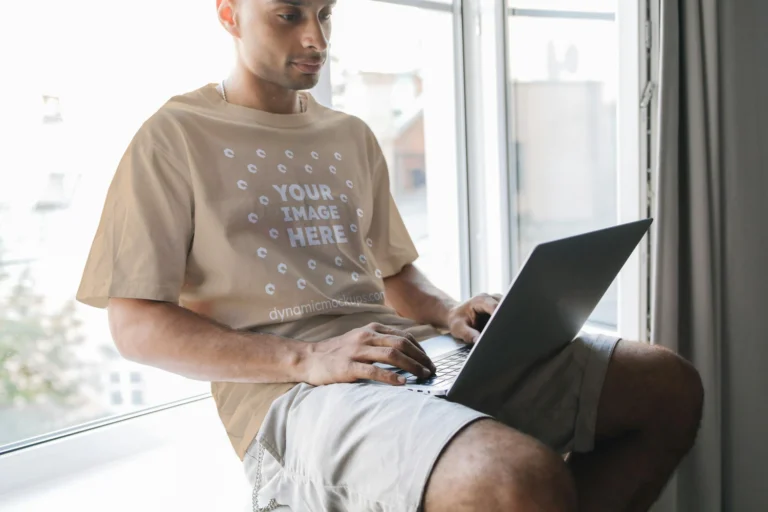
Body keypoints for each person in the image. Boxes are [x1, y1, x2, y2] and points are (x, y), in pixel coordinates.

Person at [76, 0, 704, 510]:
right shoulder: (174, 136)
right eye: (289, 14)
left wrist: (448, 311)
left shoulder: (348, 134)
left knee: (666, 387)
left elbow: (395, 272)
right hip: (291, 396)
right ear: (229, 13)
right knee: (518, 479)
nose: (315, 37)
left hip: (405, 354)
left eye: (326, 13)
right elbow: (136, 325)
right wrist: (310, 356)